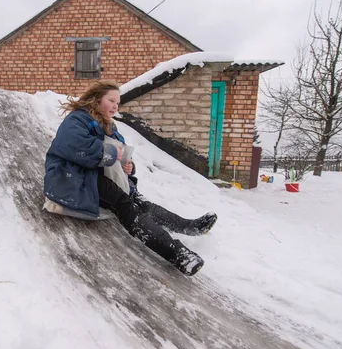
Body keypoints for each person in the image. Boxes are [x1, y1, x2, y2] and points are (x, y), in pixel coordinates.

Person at [43, 80, 217, 276]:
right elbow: (73, 144)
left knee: (140, 200)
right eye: (112, 100)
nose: (116, 106)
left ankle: (187, 226)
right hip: (73, 176)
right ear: (96, 99)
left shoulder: (110, 126)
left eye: (118, 102)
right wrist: (110, 153)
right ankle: (177, 254)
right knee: (124, 203)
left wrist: (128, 165)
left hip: (97, 175)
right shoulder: (77, 119)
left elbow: (122, 153)